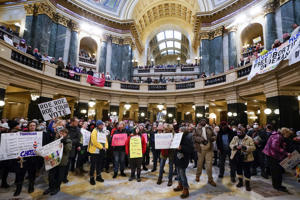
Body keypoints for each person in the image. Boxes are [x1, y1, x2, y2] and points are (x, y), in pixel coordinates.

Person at [43, 128, 72, 196]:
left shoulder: (68, 141)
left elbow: (68, 149)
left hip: (62, 161)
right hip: (54, 160)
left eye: (63, 133)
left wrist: (64, 142)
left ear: (66, 134)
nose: (61, 134)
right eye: (60, 133)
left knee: (59, 176)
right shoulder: (55, 139)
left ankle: (57, 188)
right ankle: (50, 187)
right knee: (51, 175)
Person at [263, 128, 290, 192]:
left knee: (275, 171)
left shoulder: (276, 135)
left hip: (271, 155)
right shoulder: (278, 136)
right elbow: (274, 146)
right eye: (288, 134)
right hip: (272, 156)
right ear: (285, 133)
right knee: (277, 171)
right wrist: (285, 153)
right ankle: (277, 186)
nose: (288, 136)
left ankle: (276, 185)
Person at [230, 126, 256, 191]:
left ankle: (247, 185)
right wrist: (235, 147)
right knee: (239, 170)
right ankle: (240, 182)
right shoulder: (235, 138)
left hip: (246, 158)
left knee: (247, 171)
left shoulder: (249, 138)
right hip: (237, 157)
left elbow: (253, 147)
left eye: (240, 132)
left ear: (243, 132)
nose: (238, 133)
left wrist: (244, 147)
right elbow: (230, 144)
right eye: (237, 132)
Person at [193, 118, 217, 187]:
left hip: (209, 148)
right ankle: (197, 176)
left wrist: (212, 139)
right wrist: (202, 140)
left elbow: (215, 135)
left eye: (204, 121)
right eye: (201, 121)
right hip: (200, 148)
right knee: (200, 163)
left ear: (206, 122)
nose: (203, 122)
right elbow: (194, 137)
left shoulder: (209, 128)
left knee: (209, 165)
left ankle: (210, 179)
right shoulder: (196, 128)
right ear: (200, 122)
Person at [173, 127, 194, 199]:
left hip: (183, 159)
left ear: (183, 131)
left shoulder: (187, 138)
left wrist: (181, 147)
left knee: (182, 174)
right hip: (177, 158)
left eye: (180, 131)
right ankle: (180, 185)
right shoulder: (178, 138)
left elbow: (190, 149)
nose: (178, 131)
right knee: (178, 174)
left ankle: (186, 189)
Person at [88, 120, 108, 185]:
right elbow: (94, 141)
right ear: (98, 125)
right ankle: (91, 178)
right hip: (94, 151)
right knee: (93, 165)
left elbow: (106, 140)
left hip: (101, 151)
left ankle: (98, 176)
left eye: (102, 125)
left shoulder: (103, 131)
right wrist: (102, 147)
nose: (102, 126)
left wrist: (106, 147)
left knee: (99, 165)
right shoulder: (94, 131)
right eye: (100, 125)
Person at [64, 118, 80, 182]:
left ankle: (64, 177)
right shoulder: (66, 127)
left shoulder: (78, 129)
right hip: (63, 147)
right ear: (72, 122)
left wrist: (69, 141)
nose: (77, 123)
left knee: (68, 163)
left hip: (71, 148)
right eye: (76, 122)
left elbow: (78, 139)